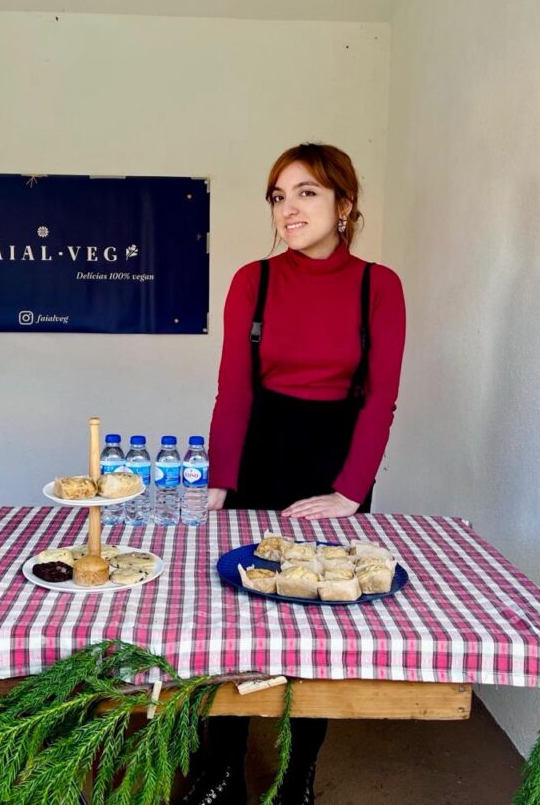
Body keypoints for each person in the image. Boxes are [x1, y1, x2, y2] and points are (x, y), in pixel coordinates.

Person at [178, 143, 406, 805]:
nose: (289, 209)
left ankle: (296, 772)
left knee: (320, 618)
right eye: (279, 196)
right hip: (257, 452)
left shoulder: (378, 286)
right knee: (234, 610)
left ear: (345, 204)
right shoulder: (253, 280)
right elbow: (233, 389)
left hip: (335, 466)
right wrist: (220, 479)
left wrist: (350, 492)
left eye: (307, 192)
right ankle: (220, 767)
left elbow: (380, 398)